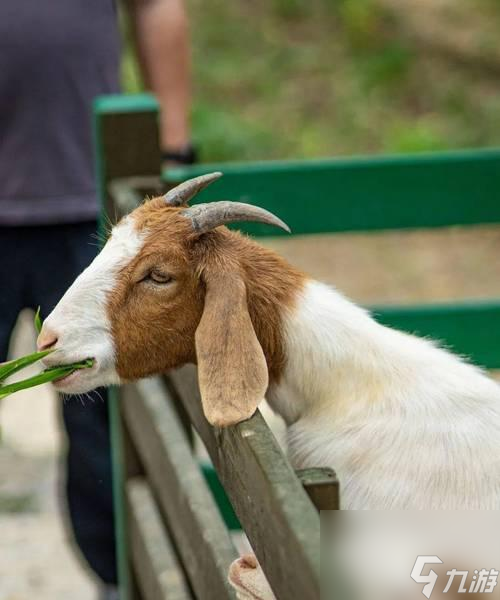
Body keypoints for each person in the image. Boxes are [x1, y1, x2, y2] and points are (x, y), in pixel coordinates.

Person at [0, 1, 194, 597]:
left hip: (87, 205)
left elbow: (158, 5)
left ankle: (122, 580)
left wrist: (173, 147)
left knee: (105, 424)